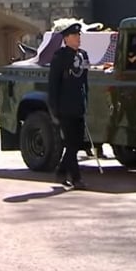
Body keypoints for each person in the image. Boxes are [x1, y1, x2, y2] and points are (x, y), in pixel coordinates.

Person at [48, 22, 90, 189]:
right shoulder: (60, 56)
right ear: (66, 39)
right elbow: (53, 84)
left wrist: (86, 100)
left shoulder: (83, 55)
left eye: (79, 35)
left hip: (79, 104)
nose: (78, 38)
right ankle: (76, 178)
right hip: (64, 106)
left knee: (76, 143)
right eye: (75, 36)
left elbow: (84, 81)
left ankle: (61, 172)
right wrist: (54, 108)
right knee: (71, 143)